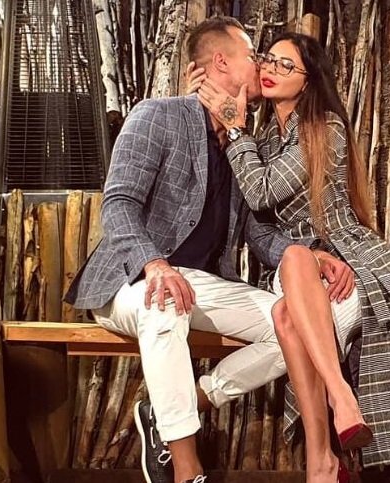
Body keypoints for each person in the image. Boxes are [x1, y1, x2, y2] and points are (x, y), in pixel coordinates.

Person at [64, 18, 355, 483]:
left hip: (201, 284)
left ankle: (179, 408)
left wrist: (309, 254)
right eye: (252, 56)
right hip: (131, 280)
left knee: (296, 325)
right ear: (221, 62)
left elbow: (258, 236)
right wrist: (155, 264)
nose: (261, 65)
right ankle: (187, 469)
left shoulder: (243, 146)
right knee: (164, 304)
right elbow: (118, 203)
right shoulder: (157, 115)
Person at [192, 32, 390, 482]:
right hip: (296, 268)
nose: (271, 69)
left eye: (287, 65)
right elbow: (258, 227)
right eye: (269, 60)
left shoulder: (325, 129)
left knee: (288, 319)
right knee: (297, 261)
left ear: (308, 80)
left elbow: (263, 190)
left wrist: (236, 130)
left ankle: (320, 460)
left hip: (352, 264)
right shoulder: (259, 143)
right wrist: (237, 131)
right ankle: (340, 401)